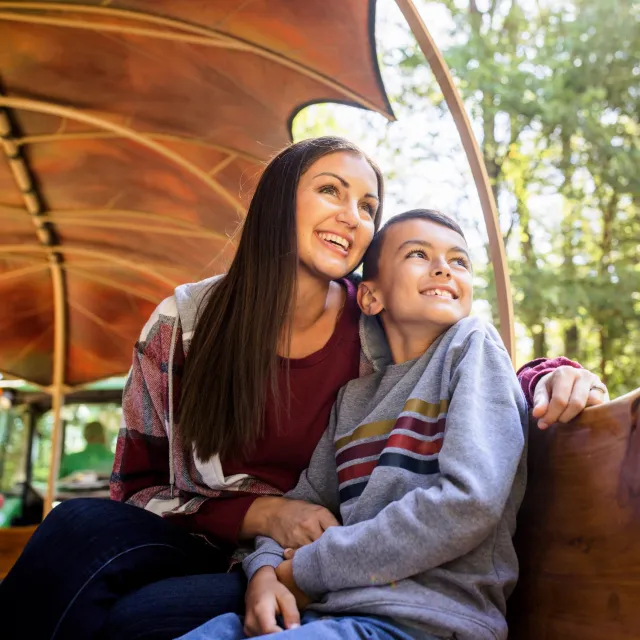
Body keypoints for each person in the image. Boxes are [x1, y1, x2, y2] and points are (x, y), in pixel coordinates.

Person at [0, 138, 608, 640]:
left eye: (368, 206)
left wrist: (553, 373)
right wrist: (261, 514)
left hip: (327, 561)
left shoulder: (373, 324)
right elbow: (133, 487)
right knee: (76, 531)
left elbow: (457, 366)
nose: (353, 215)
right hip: (212, 537)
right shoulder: (183, 325)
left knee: (135, 621)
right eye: (330, 190)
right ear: (277, 201)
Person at [177, 209, 527, 640]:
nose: (443, 267)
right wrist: (265, 571)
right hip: (328, 613)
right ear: (370, 297)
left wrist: (304, 572)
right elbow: (306, 500)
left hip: (426, 618)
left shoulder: (471, 345)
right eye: (419, 253)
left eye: (459, 261)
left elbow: (469, 502)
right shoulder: (353, 399)